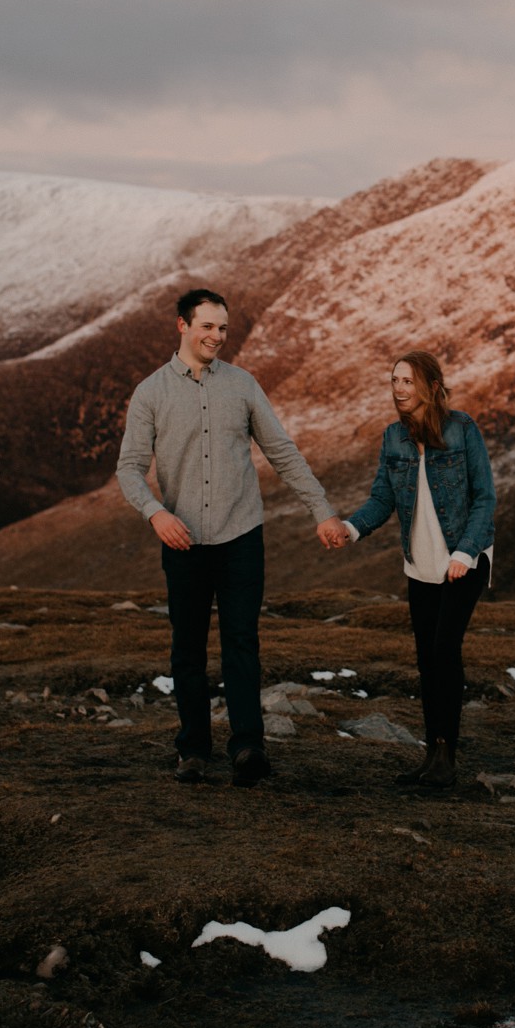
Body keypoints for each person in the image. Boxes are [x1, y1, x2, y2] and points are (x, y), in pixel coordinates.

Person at [116, 288, 348, 786]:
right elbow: (130, 469)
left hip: (241, 536)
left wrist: (322, 511)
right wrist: (156, 513)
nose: (217, 336)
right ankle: (194, 750)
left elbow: (282, 451)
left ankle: (247, 747)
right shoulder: (150, 393)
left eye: (223, 328)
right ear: (182, 326)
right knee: (188, 651)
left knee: (243, 643)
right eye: (207, 326)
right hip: (182, 540)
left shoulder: (243, 386)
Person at [329, 351, 495, 787]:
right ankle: (432, 753)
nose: (399, 388)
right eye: (394, 381)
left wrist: (465, 553)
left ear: (431, 386)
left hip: (464, 561)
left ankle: (447, 756)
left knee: (444, 651)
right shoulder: (393, 438)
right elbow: (382, 499)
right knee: (426, 660)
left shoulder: (462, 429)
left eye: (407, 381)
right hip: (419, 564)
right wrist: (350, 528)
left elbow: (485, 499)